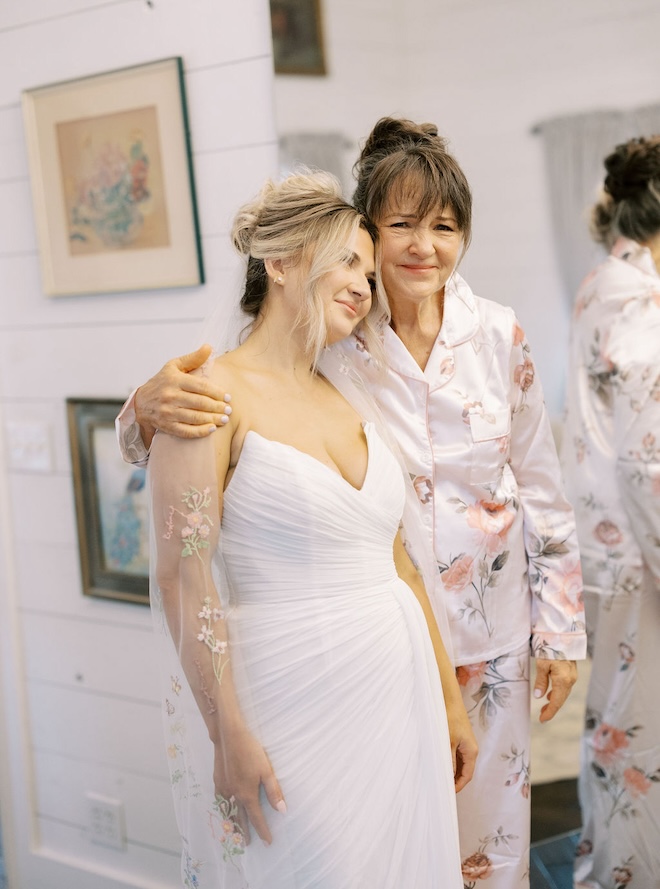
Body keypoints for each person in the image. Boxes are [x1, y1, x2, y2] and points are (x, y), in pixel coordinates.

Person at [118, 118, 587, 888]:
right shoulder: (336, 336)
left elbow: (543, 485)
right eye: (397, 226)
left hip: (491, 633)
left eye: (443, 226)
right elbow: (214, 410)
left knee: (488, 856)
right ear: (366, 232)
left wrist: (561, 629)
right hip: (361, 659)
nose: (420, 247)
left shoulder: (500, 334)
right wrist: (141, 405)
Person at [145, 171, 473, 889]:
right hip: (289, 698)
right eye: (345, 260)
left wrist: (448, 699)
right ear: (281, 262)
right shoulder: (206, 396)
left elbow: (400, 562)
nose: (364, 282)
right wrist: (224, 730)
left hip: (398, 694)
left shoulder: (349, 394)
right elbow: (183, 575)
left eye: (366, 265)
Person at [561, 136, 660, 889]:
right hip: (639, 550)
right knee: (638, 733)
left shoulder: (605, 280)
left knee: (617, 717)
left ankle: (606, 864)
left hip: (608, 547)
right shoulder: (639, 296)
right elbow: (645, 456)